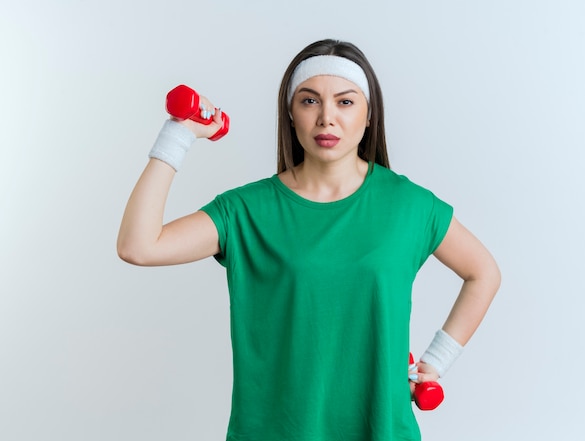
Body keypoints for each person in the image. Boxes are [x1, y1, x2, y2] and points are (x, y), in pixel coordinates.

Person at [117, 38, 501, 441]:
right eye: (310, 101)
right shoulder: (247, 211)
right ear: (291, 113)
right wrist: (178, 135)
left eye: (346, 102)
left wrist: (437, 361)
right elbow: (139, 246)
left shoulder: (409, 206)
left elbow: (483, 273)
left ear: (370, 115)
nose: (327, 118)